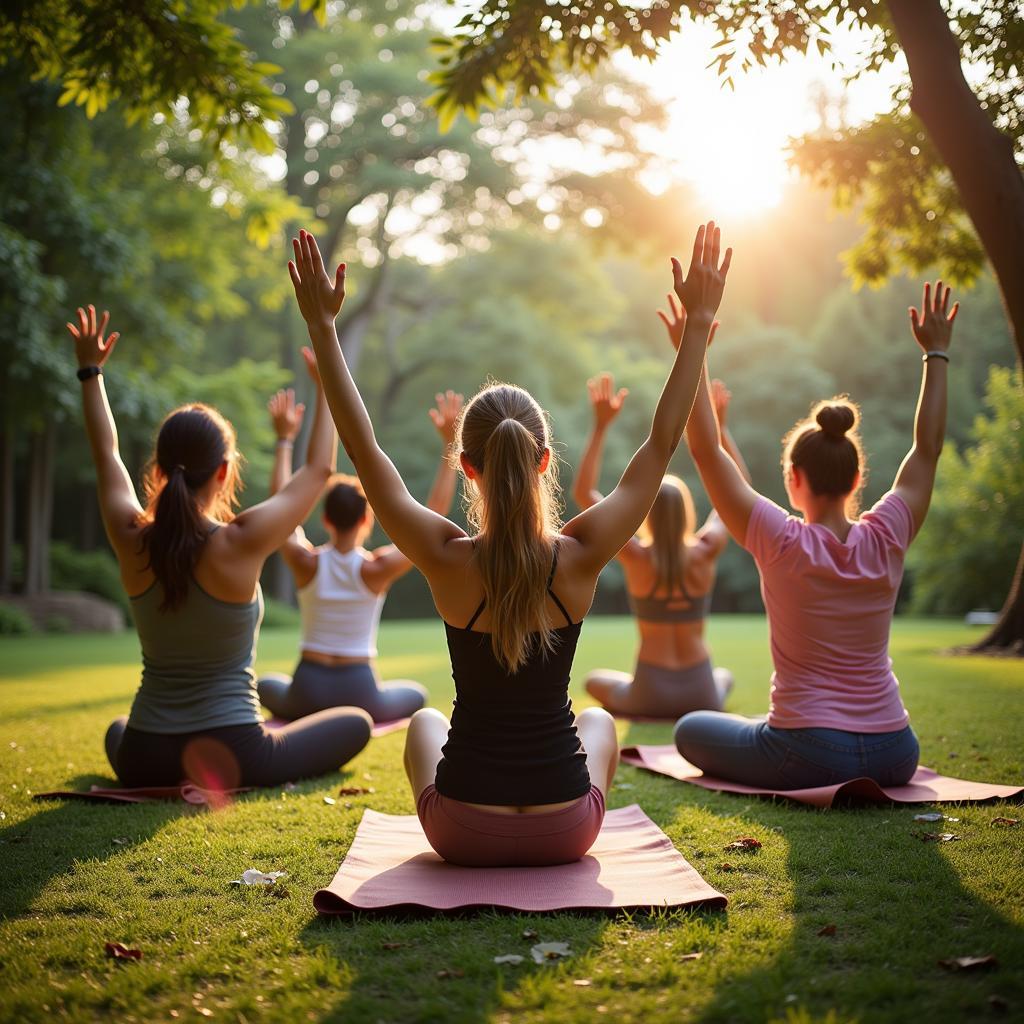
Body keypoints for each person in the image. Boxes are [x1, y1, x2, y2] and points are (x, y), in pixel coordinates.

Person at [288, 221, 731, 865]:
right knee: (598, 723)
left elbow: (363, 449)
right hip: (566, 833)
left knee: (423, 725)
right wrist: (696, 326)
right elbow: (661, 444)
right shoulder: (579, 555)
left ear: (467, 467)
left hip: (462, 833)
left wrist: (324, 329)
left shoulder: (445, 557)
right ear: (544, 462)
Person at [66, 309, 372, 789]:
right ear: (225, 472)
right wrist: (325, 380)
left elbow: (105, 453)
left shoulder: (131, 536)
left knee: (117, 731)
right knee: (356, 722)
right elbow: (318, 470)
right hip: (237, 752)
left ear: (160, 470)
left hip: (145, 755)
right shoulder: (239, 541)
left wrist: (90, 372)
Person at [675, 280, 960, 789]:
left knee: (691, 728)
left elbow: (705, 450)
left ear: (793, 480)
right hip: (896, 749)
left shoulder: (780, 539)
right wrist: (935, 353)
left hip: (807, 751)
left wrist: (693, 341)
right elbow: (928, 450)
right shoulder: (887, 534)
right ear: (857, 479)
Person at [572, 296, 751, 719]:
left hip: (647, 693)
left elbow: (585, 493)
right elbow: (738, 489)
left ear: (648, 515)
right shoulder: (707, 551)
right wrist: (721, 431)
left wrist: (599, 429)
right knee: (722, 676)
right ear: (687, 513)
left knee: (594, 680)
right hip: (700, 693)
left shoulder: (635, 555)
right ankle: (712, 690)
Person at [256, 385, 463, 723]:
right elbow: (433, 516)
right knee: (416, 694)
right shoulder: (376, 569)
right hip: (361, 693)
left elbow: (281, 505)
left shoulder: (305, 561)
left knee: (265, 684)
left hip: (307, 688)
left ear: (325, 519)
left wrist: (284, 440)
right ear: (367, 519)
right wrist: (449, 444)